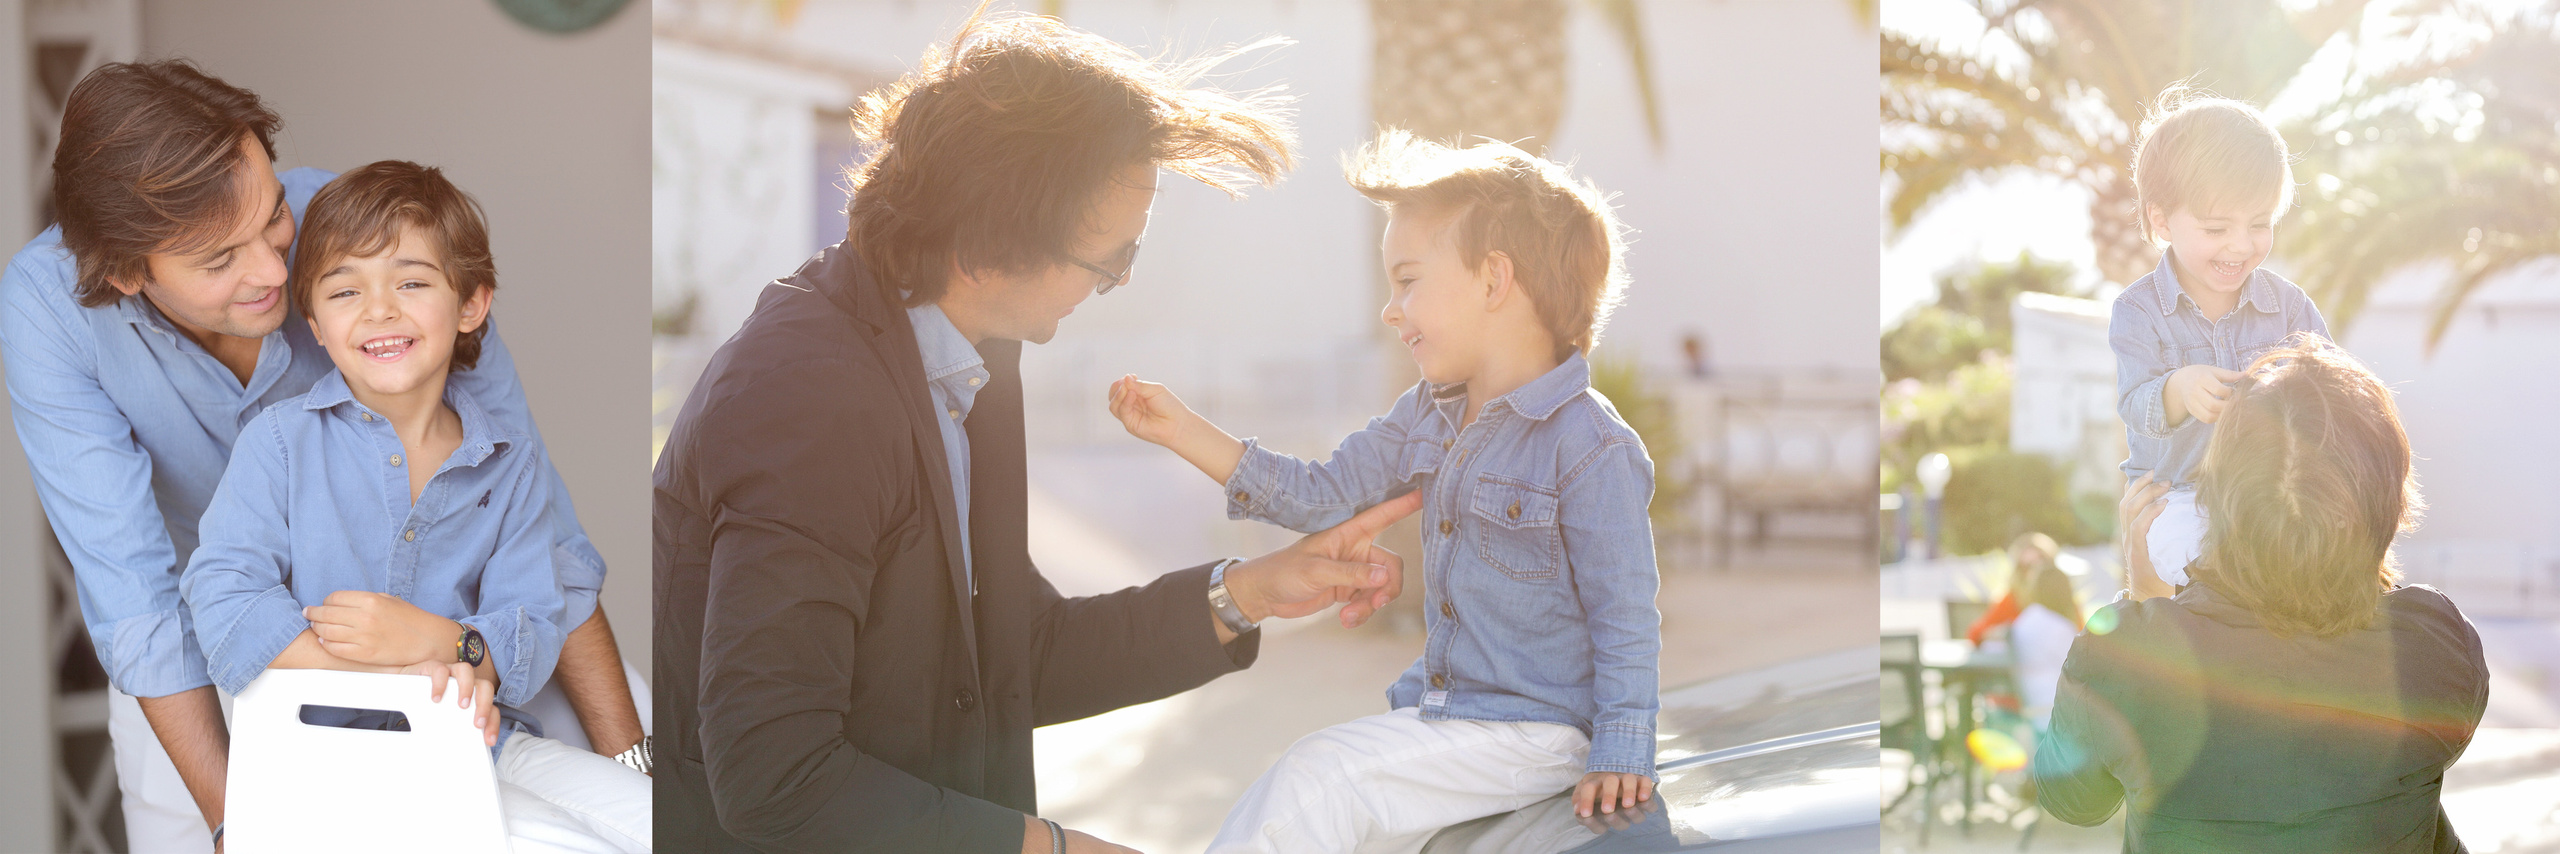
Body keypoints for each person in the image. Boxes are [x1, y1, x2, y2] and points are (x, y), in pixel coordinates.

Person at [652, 11, 1424, 853]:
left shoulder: (961, 358)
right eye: (1109, 263)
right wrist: (1052, 849)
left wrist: (1250, 592)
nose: (1116, 285)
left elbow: (1016, 656)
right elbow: (774, 776)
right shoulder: (806, 402)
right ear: (985, 246)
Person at [0, 61, 641, 853]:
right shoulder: (48, 311)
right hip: (221, 663)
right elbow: (143, 603)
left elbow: (540, 533)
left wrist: (627, 756)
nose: (277, 270)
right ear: (132, 275)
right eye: (219, 260)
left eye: (270, 218)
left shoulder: (367, 243)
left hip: (462, 667)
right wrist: (239, 822)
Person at [1109, 130, 1661, 852]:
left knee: (1320, 780)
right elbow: (1320, 495)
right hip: (1448, 717)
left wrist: (1621, 751)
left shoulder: (1592, 448)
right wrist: (1186, 432)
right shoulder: (1425, 414)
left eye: (1407, 280)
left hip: (1537, 732)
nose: (1390, 309)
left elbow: (1626, 615)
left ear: (1495, 281)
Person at [179, 161, 650, 852]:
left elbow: (528, 630)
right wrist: (398, 675)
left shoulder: (510, 462)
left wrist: (434, 641)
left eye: (410, 282)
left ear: (470, 305)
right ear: (314, 321)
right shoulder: (278, 443)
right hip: (321, 765)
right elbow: (225, 600)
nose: (379, 310)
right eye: (345, 290)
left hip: (474, 742)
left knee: (648, 821)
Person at [2033, 337, 2488, 852]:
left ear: (2217, 497)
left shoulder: (2126, 656)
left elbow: (2072, 800)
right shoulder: (2432, 644)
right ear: (2388, 497)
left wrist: (2145, 612)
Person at [2108, 86, 2332, 588]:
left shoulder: (2290, 306)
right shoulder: (2137, 311)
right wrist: (2179, 389)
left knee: (2311, 548)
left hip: (2271, 497)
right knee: (2196, 557)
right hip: (2178, 497)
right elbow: (2134, 403)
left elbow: (2333, 390)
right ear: (2161, 220)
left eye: (2259, 224)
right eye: (2216, 229)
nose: (2241, 244)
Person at [1962, 532, 2082, 726]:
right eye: (2025, 566)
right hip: (2021, 693)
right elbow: (1976, 633)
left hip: (2057, 688)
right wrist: (1999, 633)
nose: (2032, 572)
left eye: (2041, 563)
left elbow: (2080, 640)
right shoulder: (2012, 601)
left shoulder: (2065, 606)